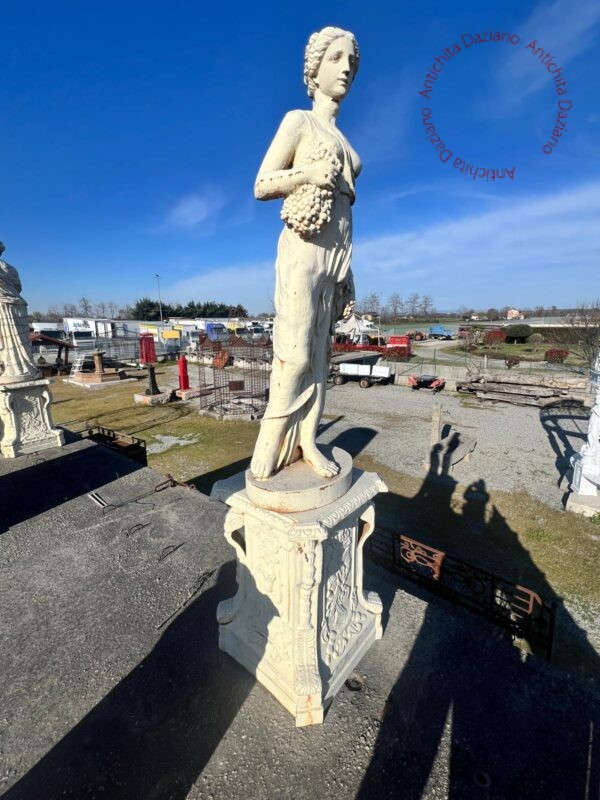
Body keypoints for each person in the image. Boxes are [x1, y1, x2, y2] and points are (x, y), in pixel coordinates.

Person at [250, 26, 361, 480]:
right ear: (314, 71)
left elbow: (345, 215)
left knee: (320, 358)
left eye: (352, 60)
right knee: (294, 355)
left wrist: (349, 273)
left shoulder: (345, 141)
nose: (346, 67)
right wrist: (307, 174)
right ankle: (267, 446)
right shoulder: (299, 121)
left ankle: (307, 441)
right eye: (335, 58)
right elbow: (261, 185)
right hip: (303, 249)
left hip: (336, 258)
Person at [0, 242, 39, 383]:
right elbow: (18, 287)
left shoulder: (7, 268)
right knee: (21, 342)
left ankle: (15, 369)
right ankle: (25, 368)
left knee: (10, 341)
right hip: (18, 305)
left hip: (5, 306)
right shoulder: (11, 268)